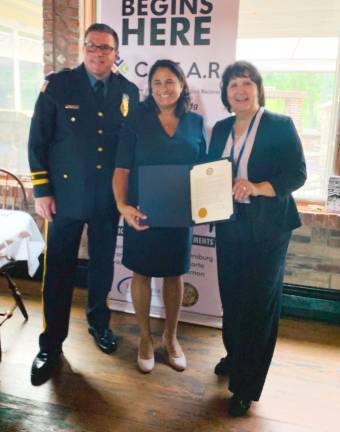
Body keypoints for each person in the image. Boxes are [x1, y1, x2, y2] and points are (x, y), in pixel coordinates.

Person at [28, 23, 139, 385]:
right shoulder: (58, 85)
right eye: (92, 46)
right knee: (58, 270)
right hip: (64, 199)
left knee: (102, 267)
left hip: (107, 200)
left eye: (105, 48)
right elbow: (37, 141)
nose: (98, 53)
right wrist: (42, 191)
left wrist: (128, 198)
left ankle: (98, 323)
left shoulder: (128, 91)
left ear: (115, 52)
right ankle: (51, 345)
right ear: (83, 48)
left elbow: (129, 150)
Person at [208, 61, 307, 416]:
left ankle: (246, 386)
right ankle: (235, 355)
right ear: (226, 93)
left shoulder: (279, 125)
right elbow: (209, 170)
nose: (240, 90)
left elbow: (297, 174)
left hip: (268, 226)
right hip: (229, 222)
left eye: (247, 83)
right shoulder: (220, 128)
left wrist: (257, 187)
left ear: (258, 88)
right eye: (233, 85)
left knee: (258, 304)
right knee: (232, 297)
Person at [113, 59, 206, 373]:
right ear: (149, 89)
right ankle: (144, 338)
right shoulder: (136, 120)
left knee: (174, 274)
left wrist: (210, 202)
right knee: (141, 273)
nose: (164, 88)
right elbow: (121, 168)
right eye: (157, 83)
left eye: (170, 81)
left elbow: (205, 169)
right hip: (143, 210)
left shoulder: (195, 122)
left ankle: (171, 336)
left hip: (180, 213)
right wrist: (123, 206)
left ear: (181, 85)